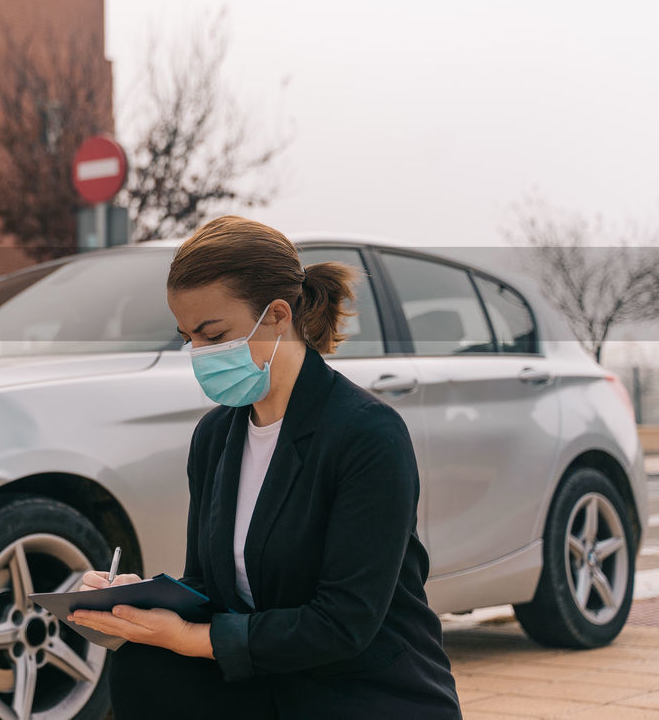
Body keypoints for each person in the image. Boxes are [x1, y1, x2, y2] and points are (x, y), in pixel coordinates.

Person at [68, 215, 462, 719]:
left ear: (278, 315)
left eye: (213, 335)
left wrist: (191, 637)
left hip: (361, 690)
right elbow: (212, 586)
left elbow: (345, 622)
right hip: (266, 683)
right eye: (188, 337)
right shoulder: (215, 437)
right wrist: (140, 600)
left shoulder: (367, 434)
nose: (198, 354)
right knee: (144, 658)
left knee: (173, 653)